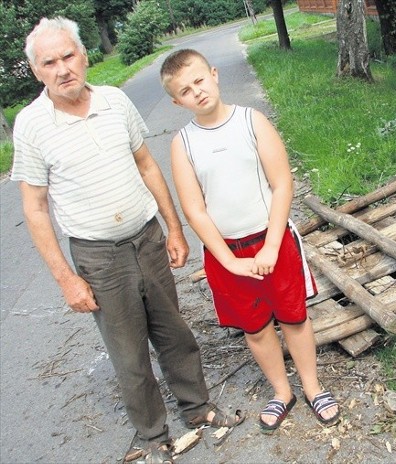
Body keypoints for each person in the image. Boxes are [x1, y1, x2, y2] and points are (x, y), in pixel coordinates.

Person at [10, 18, 244, 463]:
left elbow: (147, 166)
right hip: (98, 256)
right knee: (128, 351)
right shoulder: (31, 125)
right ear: (36, 71)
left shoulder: (115, 101)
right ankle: (153, 433)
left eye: (68, 56)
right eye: (49, 62)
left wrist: (174, 229)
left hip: (148, 238)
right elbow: (35, 209)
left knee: (174, 332)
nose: (62, 69)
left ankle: (198, 408)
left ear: (83, 55)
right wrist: (66, 280)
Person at [160, 49, 341, 433]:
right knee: (255, 328)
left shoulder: (250, 121)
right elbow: (196, 210)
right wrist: (228, 260)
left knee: (294, 316)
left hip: (271, 238)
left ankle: (311, 386)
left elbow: (281, 183)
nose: (197, 92)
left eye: (200, 81)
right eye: (186, 91)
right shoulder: (183, 144)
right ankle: (281, 392)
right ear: (177, 101)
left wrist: (273, 245)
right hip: (228, 254)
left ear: (214, 74)